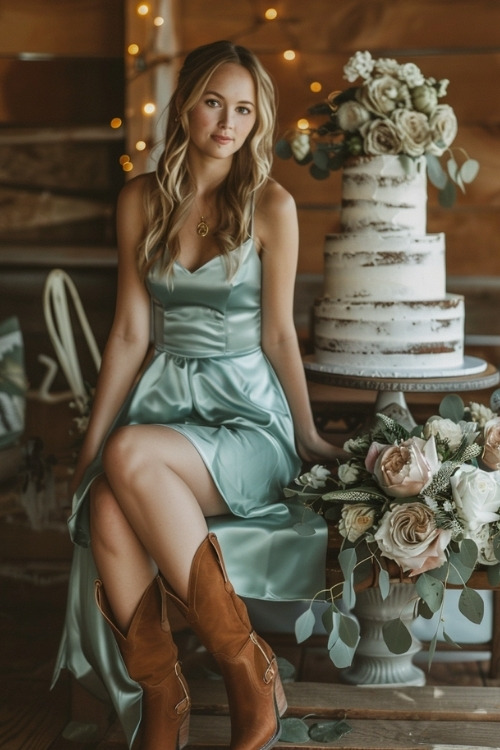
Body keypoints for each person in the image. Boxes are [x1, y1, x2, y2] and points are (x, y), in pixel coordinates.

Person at [52, 40, 344, 750]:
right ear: (186, 102)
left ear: (257, 119)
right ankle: (164, 695)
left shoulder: (272, 205)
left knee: (129, 459)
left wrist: (304, 435)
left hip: (248, 419)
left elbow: (279, 336)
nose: (227, 122)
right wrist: (88, 449)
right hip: (164, 414)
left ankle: (246, 669)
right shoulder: (139, 200)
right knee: (107, 495)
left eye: (244, 109)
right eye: (215, 102)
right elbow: (129, 333)